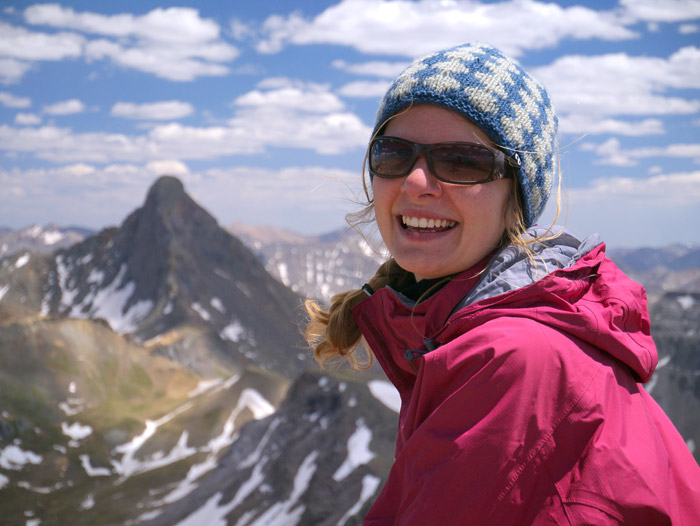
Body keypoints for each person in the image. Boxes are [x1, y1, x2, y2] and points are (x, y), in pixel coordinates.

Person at [305, 43, 700, 525]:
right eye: (393, 154)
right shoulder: (473, 330)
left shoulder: (515, 360)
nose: (416, 181)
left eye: (462, 162)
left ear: (517, 193)